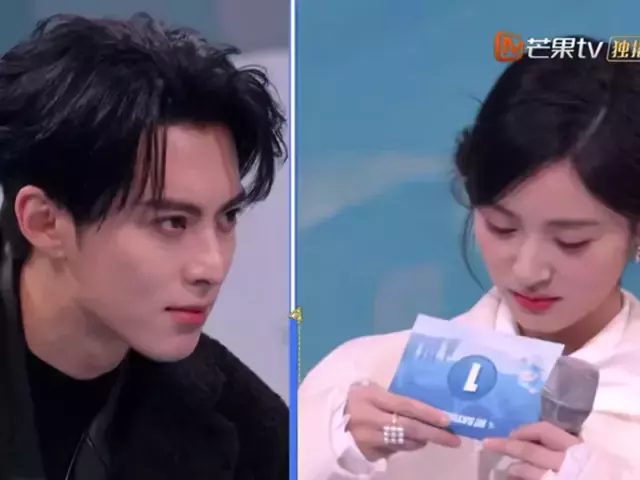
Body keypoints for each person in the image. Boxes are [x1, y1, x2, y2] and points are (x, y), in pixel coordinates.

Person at [299, 38, 640, 480]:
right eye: (501, 227)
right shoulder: (367, 380)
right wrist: (325, 455)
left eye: (571, 241)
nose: (528, 271)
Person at [0, 12, 288, 480]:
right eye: (172, 222)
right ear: (44, 222)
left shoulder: (247, 428)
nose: (212, 266)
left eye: (227, 217)